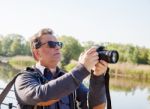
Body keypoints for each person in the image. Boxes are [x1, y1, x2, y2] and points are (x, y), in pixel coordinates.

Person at [14, 28, 108, 109]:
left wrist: (97, 76)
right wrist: (82, 68)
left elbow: (96, 107)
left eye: (58, 44)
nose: (57, 47)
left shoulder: (69, 78)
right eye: (51, 44)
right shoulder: (24, 78)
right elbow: (42, 96)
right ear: (37, 53)